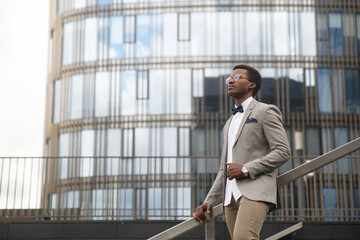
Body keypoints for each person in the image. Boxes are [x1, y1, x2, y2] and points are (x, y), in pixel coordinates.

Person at [192, 64, 291, 240]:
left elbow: (283, 151)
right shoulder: (229, 123)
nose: (230, 81)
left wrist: (245, 169)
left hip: (255, 189)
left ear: (251, 85)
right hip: (229, 198)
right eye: (228, 78)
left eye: (236, 78)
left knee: (243, 237)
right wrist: (209, 200)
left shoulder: (265, 111)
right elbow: (224, 168)